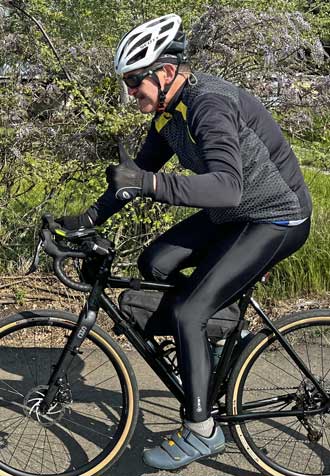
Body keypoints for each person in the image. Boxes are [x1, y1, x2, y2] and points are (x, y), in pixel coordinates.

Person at [58, 13, 312, 470]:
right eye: (127, 82)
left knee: (189, 310)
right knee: (154, 262)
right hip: (235, 214)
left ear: (168, 72)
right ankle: (216, 341)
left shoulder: (208, 105)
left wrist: (152, 184)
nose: (130, 92)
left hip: (276, 218)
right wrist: (84, 221)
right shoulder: (167, 115)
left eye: (136, 80)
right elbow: (133, 179)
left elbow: (226, 187)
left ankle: (202, 430)